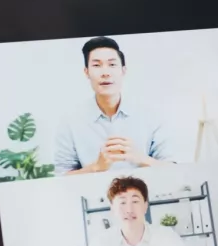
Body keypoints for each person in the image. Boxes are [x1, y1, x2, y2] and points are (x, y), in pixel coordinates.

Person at [55, 36, 172, 175]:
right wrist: (96, 167)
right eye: (97, 65)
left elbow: (173, 169)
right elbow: (61, 177)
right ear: (86, 72)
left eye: (112, 64)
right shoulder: (70, 121)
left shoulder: (150, 115)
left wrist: (141, 158)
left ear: (123, 70)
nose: (105, 73)